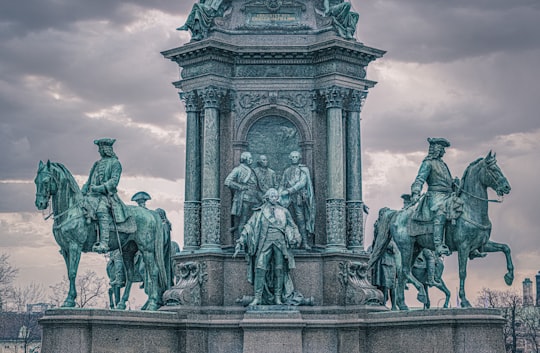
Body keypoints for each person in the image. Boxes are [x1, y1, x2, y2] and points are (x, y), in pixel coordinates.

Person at [234, 188, 301, 306]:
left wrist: (296, 236)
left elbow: (293, 226)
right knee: (260, 267)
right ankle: (258, 297)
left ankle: (278, 298)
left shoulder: (284, 211)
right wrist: (242, 239)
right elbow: (249, 226)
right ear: (267, 197)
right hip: (264, 242)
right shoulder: (259, 212)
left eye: (276, 196)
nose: (274, 198)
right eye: (272, 196)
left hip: (280, 243)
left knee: (279, 269)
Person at [82, 138, 129, 253]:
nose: (99, 151)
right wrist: (82, 191)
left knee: (101, 210)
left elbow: (114, 181)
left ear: (106, 149)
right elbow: (89, 180)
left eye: (100, 149)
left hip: (107, 196)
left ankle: (104, 242)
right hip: (91, 196)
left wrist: (99, 188)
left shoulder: (115, 163)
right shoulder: (97, 164)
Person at [410, 137, 455, 257]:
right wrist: (415, 192)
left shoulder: (443, 164)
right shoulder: (428, 163)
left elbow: (447, 181)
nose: (444, 152)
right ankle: (438, 244)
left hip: (448, 195)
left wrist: (454, 183)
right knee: (441, 212)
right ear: (437, 149)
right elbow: (420, 179)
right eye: (442, 149)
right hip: (435, 196)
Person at [279, 151, 315, 250]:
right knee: (286, 220)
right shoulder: (286, 171)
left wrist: (289, 191)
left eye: (296, 157)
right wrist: (279, 193)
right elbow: (282, 184)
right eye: (293, 157)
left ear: (299, 158)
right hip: (287, 200)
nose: (294, 158)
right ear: (290, 158)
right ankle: (287, 242)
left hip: (298, 198)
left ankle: (304, 242)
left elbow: (302, 183)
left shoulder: (303, 170)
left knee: (301, 220)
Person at [225, 152, 262, 241]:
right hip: (244, 198)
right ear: (244, 159)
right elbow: (227, 181)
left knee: (255, 221)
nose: (251, 160)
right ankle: (240, 242)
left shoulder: (251, 170)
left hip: (255, 199)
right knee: (243, 220)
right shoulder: (238, 169)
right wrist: (240, 187)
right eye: (249, 158)